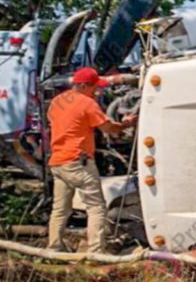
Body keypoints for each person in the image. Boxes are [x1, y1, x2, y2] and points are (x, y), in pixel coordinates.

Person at [46, 67, 136, 254]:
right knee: (96, 207)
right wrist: (125, 124)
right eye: (95, 87)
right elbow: (108, 128)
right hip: (79, 162)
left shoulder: (57, 102)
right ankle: (96, 251)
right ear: (85, 85)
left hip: (58, 162)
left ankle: (53, 249)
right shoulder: (87, 103)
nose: (98, 91)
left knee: (60, 210)